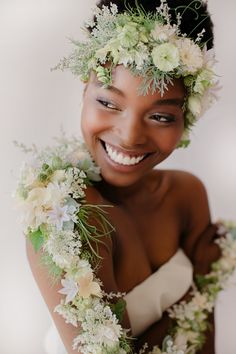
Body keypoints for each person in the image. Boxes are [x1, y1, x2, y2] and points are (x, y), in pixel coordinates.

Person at [25, 0, 226, 353]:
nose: (130, 136)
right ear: (84, 90)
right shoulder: (63, 216)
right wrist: (199, 287)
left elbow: (206, 341)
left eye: (161, 116)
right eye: (108, 103)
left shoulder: (187, 195)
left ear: (187, 120)